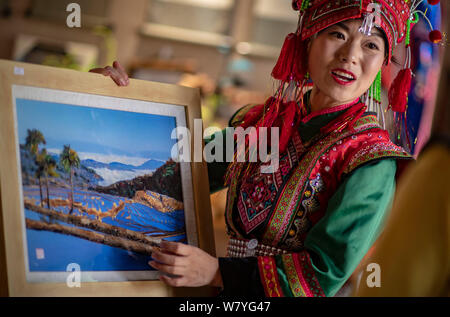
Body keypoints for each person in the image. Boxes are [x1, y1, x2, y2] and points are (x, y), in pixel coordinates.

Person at [89, 0, 441, 297]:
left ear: (382, 65)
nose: (350, 55)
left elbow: (323, 274)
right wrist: (121, 109)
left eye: (371, 46)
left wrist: (216, 272)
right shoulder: (257, 126)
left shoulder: (370, 160)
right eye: (337, 34)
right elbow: (179, 172)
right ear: (306, 41)